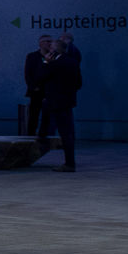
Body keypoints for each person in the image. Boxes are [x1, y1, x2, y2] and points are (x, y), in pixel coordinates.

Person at [43, 31, 84, 171]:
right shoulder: (73, 62)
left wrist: (47, 63)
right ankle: (70, 161)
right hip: (68, 100)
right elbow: (79, 83)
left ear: (56, 50)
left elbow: (43, 78)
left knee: (63, 132)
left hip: (56, 101)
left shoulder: (54, 64)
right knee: (68, 132)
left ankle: (69, 164)